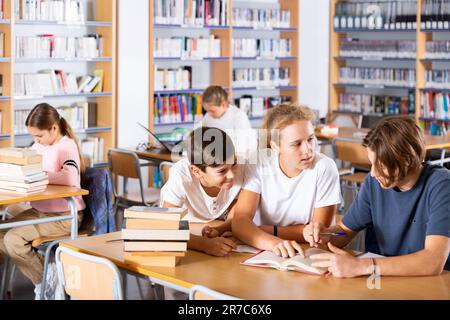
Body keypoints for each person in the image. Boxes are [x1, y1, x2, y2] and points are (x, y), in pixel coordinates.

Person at [304, 116, 450, 277]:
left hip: (431, 284)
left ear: (407, 160)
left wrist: (362, 267)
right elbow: (344, 231)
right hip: (383, 279)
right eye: (371, 164)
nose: (373, 173)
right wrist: (325, 235)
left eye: (381, 166)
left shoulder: (442, 185)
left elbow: (433, 261)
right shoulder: (374, 184)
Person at [232, 103, 341, 258]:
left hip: (307, 253)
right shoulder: (259, 162)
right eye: (297, 144)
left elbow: (317, 235)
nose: (308, 149)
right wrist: (274, 242)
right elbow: (240, 221)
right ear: (275, 146)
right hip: (268, 250)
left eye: (310, 139)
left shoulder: (325, 167)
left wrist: (268, 230)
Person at [0, 103, 86, 298]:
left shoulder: (66, 146)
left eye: (39, 135)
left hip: (64, 217)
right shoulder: (41, 144)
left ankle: (44, 278)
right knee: (1, 233)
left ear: (54, 128)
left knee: (13, 239)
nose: (36, 140)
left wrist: (41, 175)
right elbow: (28, 160)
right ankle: (47, 271)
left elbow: (72, 178)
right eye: (33, 136)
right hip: (41, 212)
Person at [161, 126, 243, 257]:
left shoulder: (241, 168)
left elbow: (237, 213)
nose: (232, 175)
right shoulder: (181, 176)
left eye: (234, 164)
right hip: (185, 231)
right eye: (222, 171)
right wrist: (203, 244)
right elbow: (166, 225)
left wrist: (219, 229)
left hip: (213, 228)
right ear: (196, 171)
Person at [197, 85, 257, 159]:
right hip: (216, 158)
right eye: (207, 111)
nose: (209, 114)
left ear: (223, 104)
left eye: (212, 111)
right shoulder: (208, 117)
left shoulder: (238, 116)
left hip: (238, 159)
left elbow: (245, 146)